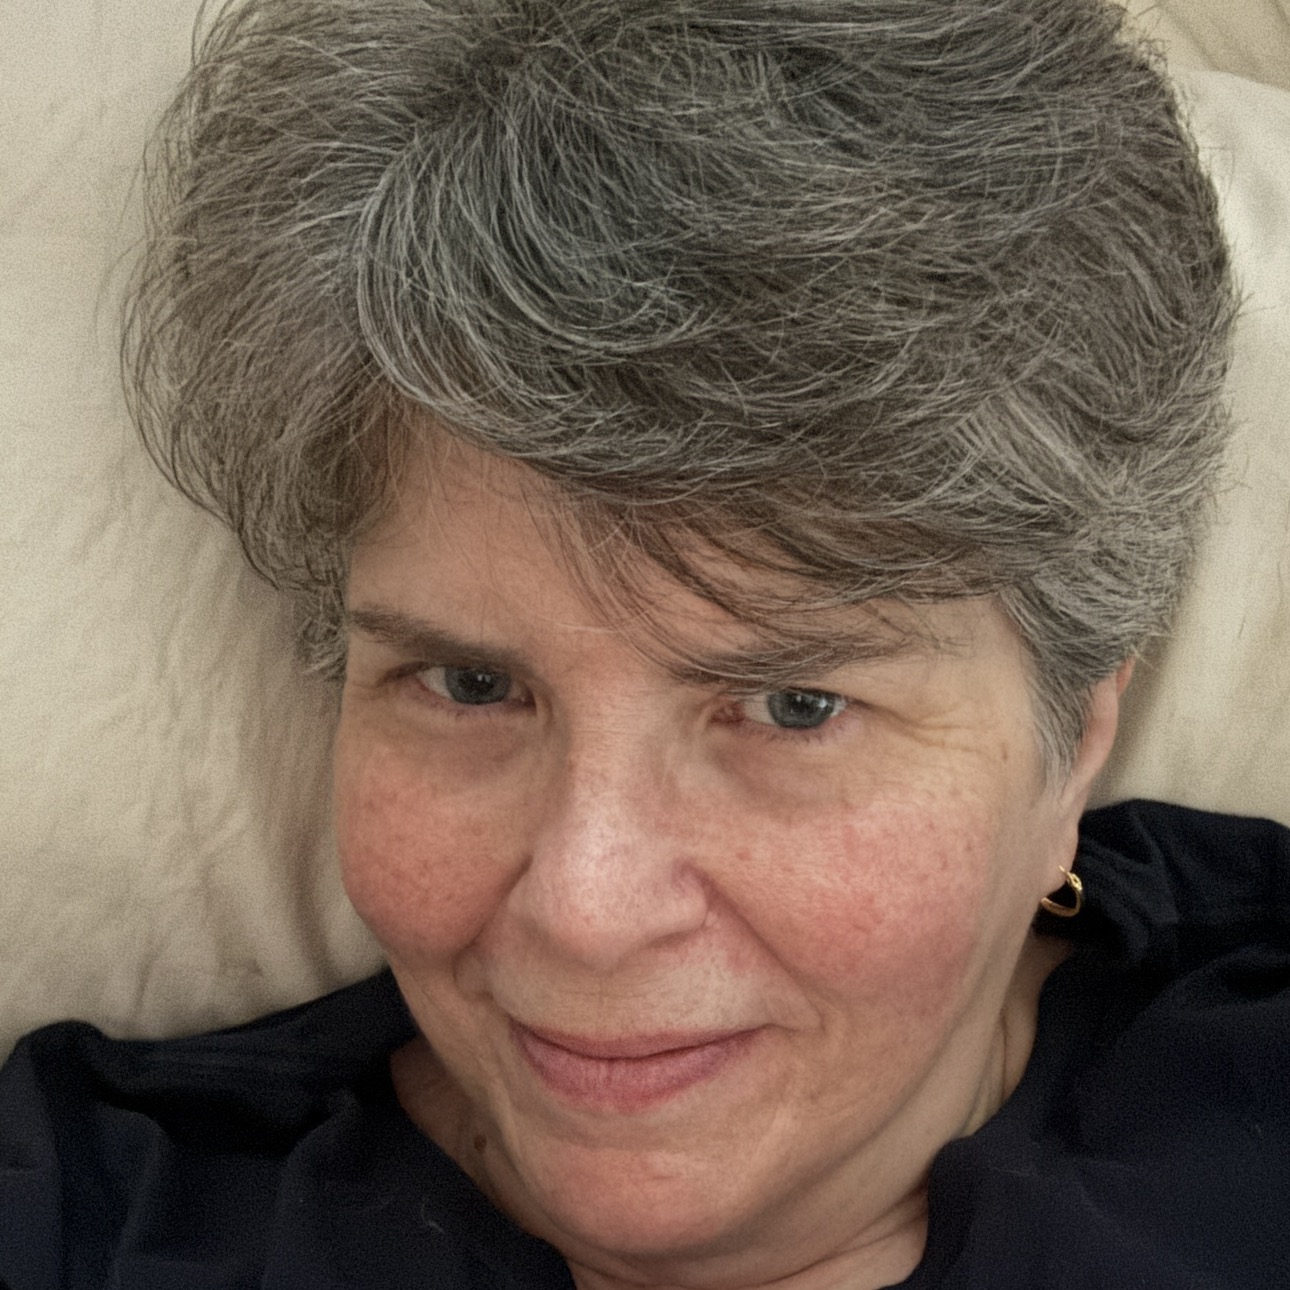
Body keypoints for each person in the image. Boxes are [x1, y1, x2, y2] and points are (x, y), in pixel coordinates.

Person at [1, 0, 1287, 1287]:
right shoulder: (86, 1218)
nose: (587, 911)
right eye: (471, 685)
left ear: (1075, 737)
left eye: (791, 705)